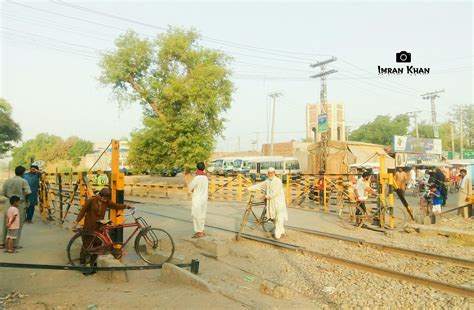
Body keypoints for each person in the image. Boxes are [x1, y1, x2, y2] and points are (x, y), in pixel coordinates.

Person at [73, 188, 133, 266]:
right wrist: (76, 222)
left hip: (99, 227)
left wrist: (126, 206)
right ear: (100, 195)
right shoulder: (92, 200)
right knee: (86, 245)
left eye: (107, 198)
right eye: (104, 198)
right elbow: (82, 211)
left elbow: (115, 206)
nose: (105, 200)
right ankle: (82, 263)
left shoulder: (106, 202)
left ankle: (93, 262)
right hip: (89, 226)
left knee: (98, 246)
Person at [248, 167, 288, 239]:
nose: (270, 174)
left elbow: (275, 192)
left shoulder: (278, 181)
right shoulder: (268, 181)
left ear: (274, 173)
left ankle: (277, 233)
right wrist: (250, 188)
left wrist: (266, 196)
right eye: (269, 173)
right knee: (275, 218)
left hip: (279, 202)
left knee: (279, 217)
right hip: (272, 203)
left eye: (271, 173)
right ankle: (281, 230)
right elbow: (260, 185)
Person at [0, 166, 31, 249]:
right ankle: (14, 244)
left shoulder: (7, 181)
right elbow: (28, 192)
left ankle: (2, 243)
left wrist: (11, 198)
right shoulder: (23, 181)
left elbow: (2, 193)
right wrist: (26, 201)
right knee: (17, 224)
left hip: (8, 204)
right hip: (19, 204)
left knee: (6, 224)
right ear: (22, 173)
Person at [188, 162, 209, 238]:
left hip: (197, 199)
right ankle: (202, 230)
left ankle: (199, 232)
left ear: (197, 168)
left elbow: (190, 187)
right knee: (202, 215)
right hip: (204, 199)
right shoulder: (205, 178)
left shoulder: (197, 178)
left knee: (196, 215)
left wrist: (193, 190)